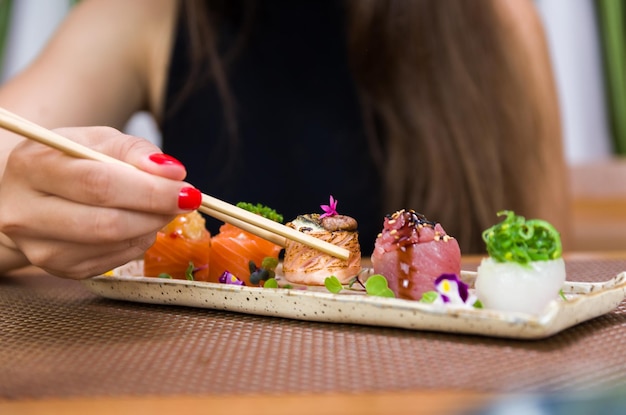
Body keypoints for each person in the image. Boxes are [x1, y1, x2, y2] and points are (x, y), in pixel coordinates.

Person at [0, 0, 571, 279]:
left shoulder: (499, 20)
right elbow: (13, 145)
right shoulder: (148, 12)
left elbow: (551, 282)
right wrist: (13, 212)